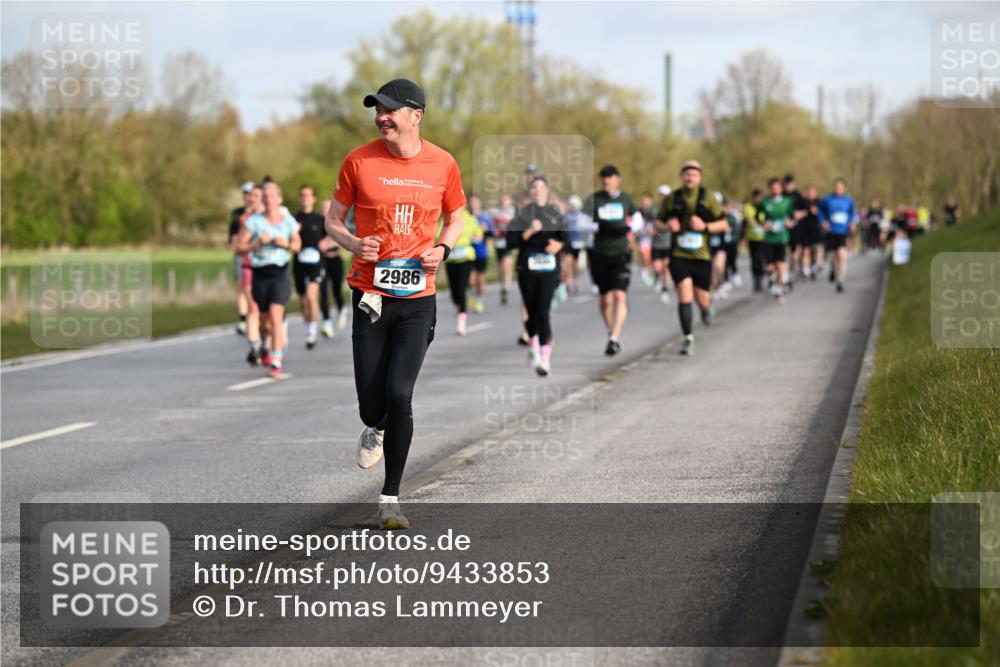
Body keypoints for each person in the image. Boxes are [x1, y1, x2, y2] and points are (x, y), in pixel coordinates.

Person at [323, 78, 466, 530]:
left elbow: (457, 217)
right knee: (372, 403)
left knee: (400, 393)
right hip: (370, 295)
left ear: (414, 115)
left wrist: (443, 250)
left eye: (389, 109)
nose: (381, 116)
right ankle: (375, 425)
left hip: (418, 299)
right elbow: (333, 221)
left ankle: (390, 498)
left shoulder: (443, 163)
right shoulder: (358, 161)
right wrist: (351, 242)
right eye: (377, 109)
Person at [657, 160, 729, 356]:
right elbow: (658, 222)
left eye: (694, 174)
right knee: (684, 291)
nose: (690, 177)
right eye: (687, 174)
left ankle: (706, 308)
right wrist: (667, 227)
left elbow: (724, 224)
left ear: (699, 178)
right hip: (679, 254)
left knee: (701, 296)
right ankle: (688, 338)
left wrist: (705, 227)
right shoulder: (672, 198)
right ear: (682, 176)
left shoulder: (708, 198)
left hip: (702, 255)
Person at [235, 181, 302, 378]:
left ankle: (275, 361)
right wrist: (257, 243)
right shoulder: (254, 222)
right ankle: (265, 344)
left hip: (280, 273)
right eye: (265, 197)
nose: (269, 200)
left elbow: (298, 245)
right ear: (262, 201)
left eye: (273, 197)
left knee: (275, 315)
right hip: (260, 274)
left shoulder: (287, 221)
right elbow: (239, 247)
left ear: (279, 199)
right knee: (264, 322)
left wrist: (287, 244)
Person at [509, 175, 566, 376]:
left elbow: (565, 238)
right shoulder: (523, 215)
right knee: (532, 311)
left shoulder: (555, 214)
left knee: (543, 310)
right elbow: (512, 242)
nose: (538, 189)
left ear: (547, 190)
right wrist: (529, 231)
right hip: (527, 268)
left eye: (542, 186)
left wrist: (559, 245)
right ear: (530, 191)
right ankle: (533, 343)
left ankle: (545, 358)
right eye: (535, 187)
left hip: (549, 269)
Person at [583, 164, 638, 356]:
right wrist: (599, 227)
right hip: (599, 253)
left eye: (610, 177)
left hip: (620, 252)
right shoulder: (594, 199)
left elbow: (638, 218)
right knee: (605, 300)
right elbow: (582, 222)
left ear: (618, 180)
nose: (606, 181)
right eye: (604, 178)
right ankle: (611, 331)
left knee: (620, 296)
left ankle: (614, 338)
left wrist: (627, 229)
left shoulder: (626, 199)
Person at [231, 184, 265, 363]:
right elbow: (237, 247)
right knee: (253, 307)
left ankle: (267, 344)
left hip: (269, 270)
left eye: (256, 195)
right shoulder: (244, 218)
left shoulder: (274, 217)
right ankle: (254, 347)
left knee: (266, 313)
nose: (252, 199)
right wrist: (251, 244)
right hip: (249, 266)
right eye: (250, 195)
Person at [293, 185, 329, 349]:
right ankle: (309, 324)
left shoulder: (320, 220)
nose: (305, 198)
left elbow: (334, 237)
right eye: (302, 195)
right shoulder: (293, 219)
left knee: (310, 295)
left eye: (308, 195)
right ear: (299, 198)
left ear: (313, 199)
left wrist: (326, 243)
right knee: (303, 302)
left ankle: (312, 332)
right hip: (299, 263)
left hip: (316, 262)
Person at [445, 201, 483, 336]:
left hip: (466, 258)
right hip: (451, 259)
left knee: (461, 289)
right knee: (453, 291)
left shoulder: (470, 219)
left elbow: (478, 234)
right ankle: (459, 306)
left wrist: (477, 235)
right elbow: (438, 234)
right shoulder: (447, 217)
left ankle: (462, 320)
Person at [758, 177, 795, 302]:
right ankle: (773, 279)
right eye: (773, 187)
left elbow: (792, 216)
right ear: (770, 188)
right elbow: (758, 216)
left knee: (780, 265)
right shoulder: (765, 202)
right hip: (769, 238)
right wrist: (763, 224)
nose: (775, 189)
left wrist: (791, 222)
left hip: (781, 237)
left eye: (777, 187)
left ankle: (779, 288)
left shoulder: (787, 202)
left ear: (781, 188)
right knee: (769, 267)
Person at [818, 178, 858, 293]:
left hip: (843, 232)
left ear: (844, 188)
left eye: (840, 187)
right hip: (831, 232)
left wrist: (853, 223)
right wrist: (823, 222)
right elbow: (821, 213)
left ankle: (840, 281)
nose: (838, 189)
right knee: (833, 256)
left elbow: (853, 214)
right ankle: (832, 269)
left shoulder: (849, 200)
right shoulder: (827, 200)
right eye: (836, 187)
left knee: (842, 256)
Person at [229, 182, 258, 338]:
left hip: (257, 255)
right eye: (246, 194)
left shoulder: (261, 213)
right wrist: (236, 243)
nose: (248, 197)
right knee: (242, 287)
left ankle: (254, 313)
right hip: (241, 255)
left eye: (251, 194)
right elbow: (232, 233)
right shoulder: (238, 213)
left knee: (253, 288)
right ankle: (243, 318)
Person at [318, 198, 348, 337]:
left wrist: (330, 243)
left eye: (327, 207)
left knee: (336, 290)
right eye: (323, 208)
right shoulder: (318, 224)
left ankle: (341, 309)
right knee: (323, 291)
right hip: (322, 261)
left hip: (335, 260)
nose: (325, 210)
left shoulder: (338, 223)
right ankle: (326, 322)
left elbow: (346, 240)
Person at [489, 193, 516, 305]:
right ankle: (503, 285)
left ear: (510, 201)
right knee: (501, 268)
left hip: (508, 242)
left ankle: (506, 287)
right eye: (502, 200)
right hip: (497, 242)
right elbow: (489, 224)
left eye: (506, 200)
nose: (504, 202)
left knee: (507, 264)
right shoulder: (494, 212)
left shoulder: (513, 212)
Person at [562, 194, 589, 295]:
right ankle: (568, 282)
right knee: (567, 262)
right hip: (568, 241)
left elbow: (587, 230)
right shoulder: (566, 215)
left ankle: (576, 282)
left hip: (579, 243)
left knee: (576, 264)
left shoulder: (582, 216)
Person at [651, 184, 674, 304]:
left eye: (666, 195)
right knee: (657, 267)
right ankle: (656, 277)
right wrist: (651, 228)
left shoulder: (673, 208)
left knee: (666, 267)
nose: (663, 197)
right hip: (656, 243)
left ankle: (665, 289)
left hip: (669, 243)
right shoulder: (654, 208)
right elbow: (648, 222)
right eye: (662, 195)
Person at [468, 194, 491, 314]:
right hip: (468, 253)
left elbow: (491, 235)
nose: (473, 205)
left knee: (480, 279)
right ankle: (471, 296)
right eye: (471, 202)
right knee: (470, 279)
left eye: (475, 202)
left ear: (479, 203)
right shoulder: (466, 217)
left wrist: (485, 231)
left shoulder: (485, 217)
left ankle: (479, 299)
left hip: (481, 252)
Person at [783, 174, 805, 286]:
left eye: (790, 184)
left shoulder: (798, 196)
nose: (788, 186)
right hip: (783, 228)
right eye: (786, 184)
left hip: (796, 227)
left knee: (793, 252)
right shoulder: (781, 195)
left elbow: (805, 210)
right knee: (783, 251)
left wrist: (798, 214)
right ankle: (784, 274)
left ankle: (792, 269)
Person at [743, 189, 766, 292]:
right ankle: (756, 280)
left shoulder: (765, 206)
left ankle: (762, 277)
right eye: (755, 197)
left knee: (761, 259)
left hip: (764, 238)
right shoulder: (748, 207)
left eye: (758, 197)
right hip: (752, 238)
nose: (757, 199)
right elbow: (748, 220)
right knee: (754, 259)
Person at [797, 185, 822, 279]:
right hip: (804, 230)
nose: (810, 194)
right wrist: (804, 213)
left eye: (812, 192)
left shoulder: (820, 202)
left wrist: (816, 211)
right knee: (805, 250)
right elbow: (797, 213)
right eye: (809, 192)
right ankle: (806, 270)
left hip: (815, 230)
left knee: (814, 250)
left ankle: (813, 265)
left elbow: (821, 213)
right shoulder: (802, 202)